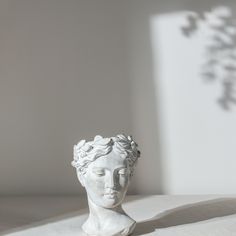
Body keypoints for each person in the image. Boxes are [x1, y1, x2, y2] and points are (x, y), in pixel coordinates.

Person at [72, 134, 140, 236]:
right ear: (81, 176)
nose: (112, 184)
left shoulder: (125, 225)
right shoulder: (88, 227)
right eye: (100, 173)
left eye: (121, 173)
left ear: (130, 176)